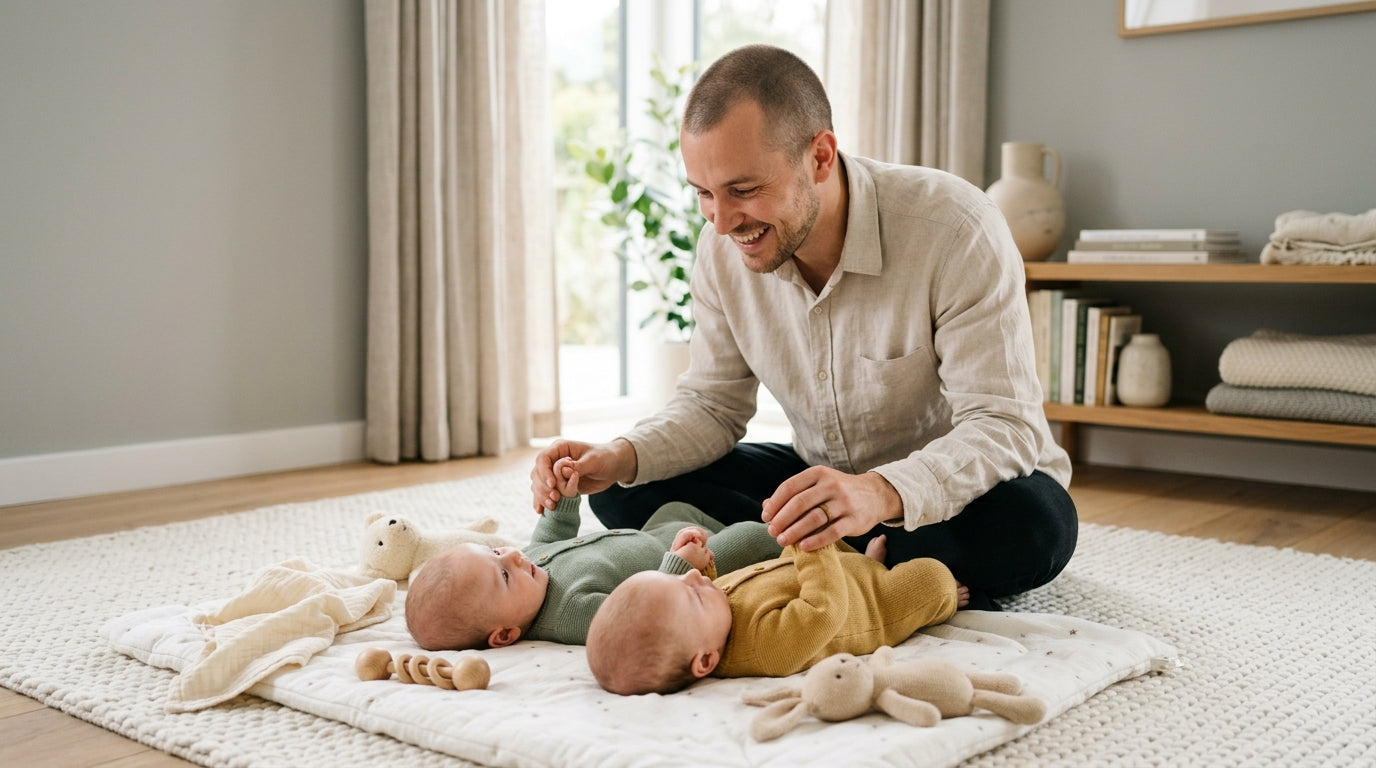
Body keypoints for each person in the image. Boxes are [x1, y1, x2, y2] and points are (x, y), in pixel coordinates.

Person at [531, 44, 1076, 611]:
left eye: (743, 190)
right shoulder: (721, 248)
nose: (721, 222)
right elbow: (713, 407)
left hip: (961, 489)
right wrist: (616, 456)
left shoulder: (955, 227)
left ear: (819, 157)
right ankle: (871, 569)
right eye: (703, 194)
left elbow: (1001, 425)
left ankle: (799, 557)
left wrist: (879, 492)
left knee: (1036, 528)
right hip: (825, 482)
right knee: (628, 490)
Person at [406, 459, 782, 650]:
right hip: (694, 561)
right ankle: (825, 542)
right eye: (503, 576)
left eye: (497, 552)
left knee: (673, 506)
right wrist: (680, 565)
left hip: (659, 531)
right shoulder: (570, 614)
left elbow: (554, 531)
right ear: (504, 634)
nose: (515, 559)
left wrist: (565, 499)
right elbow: (641, 613)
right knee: (749, 537)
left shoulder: (529, 561)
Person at [586, 537, 970, 695]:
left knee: (817, 538)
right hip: (869, 602)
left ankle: (860, 561)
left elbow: (739, 586)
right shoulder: (765, 651)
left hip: (820, 572)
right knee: (930, 578)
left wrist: (708, 571)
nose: (691, 576)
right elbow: (823, 612)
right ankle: (942, 596)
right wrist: (810, 545)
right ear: (706, 660)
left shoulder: (710, 622)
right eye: (692, 592)